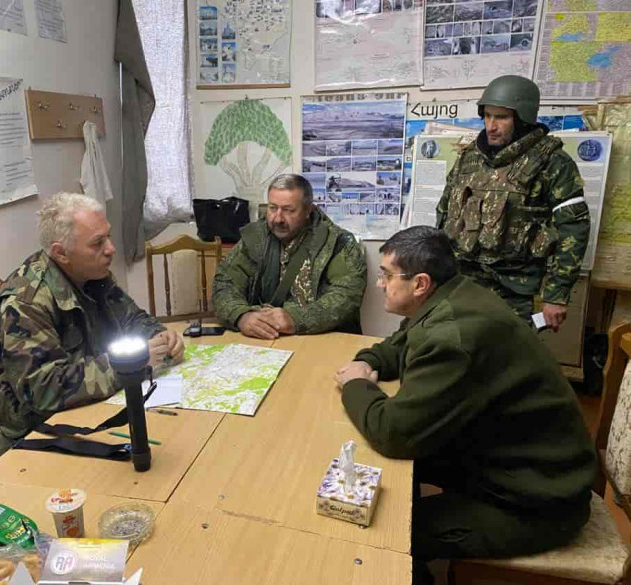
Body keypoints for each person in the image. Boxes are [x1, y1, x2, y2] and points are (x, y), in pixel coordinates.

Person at [334, 226, 596, 585]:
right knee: (387, 479)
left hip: (537, 504)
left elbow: (394, 434)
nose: (380, 284)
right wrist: (367, 361)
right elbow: (400, 345)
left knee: (382, 529)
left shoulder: (451, 337)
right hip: (516, 464)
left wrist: (356, 384)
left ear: (420, 284)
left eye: (386, 275)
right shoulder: (454, 295)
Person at [0, 193, 184, 469]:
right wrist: (129, 365)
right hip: (30, 442)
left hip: (87, 418)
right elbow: (45, 389)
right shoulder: (25, 304)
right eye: (98, 243)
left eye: (108, 237)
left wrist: (159, 336)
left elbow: (133, 318)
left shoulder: (92, 275)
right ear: (61, 253)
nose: (110, 249)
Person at [436, 75, 590, 331]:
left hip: (514, 286)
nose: (491, 126)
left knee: (508, 352)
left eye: (501, 117)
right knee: (454, 344)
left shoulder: (553, 162)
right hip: (462, 280)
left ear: (522, 119)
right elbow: (444, 213)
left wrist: (556, 294)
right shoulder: (469, 158)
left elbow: (573, 228)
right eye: (487, 116)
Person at [213, 173, 367, 339]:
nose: (278, 218)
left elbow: (346, 296)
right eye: (273, 208)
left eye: (288, 210)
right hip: (263, 339)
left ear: (308, 210)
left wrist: (296, 319)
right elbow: (225, 283)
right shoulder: (254, 238)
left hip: (322, 339)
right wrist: (241, 316)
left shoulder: (338, 243)